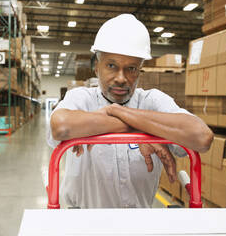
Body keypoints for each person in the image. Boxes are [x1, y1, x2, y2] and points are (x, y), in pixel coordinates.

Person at [47, 14, 213, 208]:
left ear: (140, 70)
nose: (121, 78)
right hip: (85, 223)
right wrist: (139, 131)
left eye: (131, 68)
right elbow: (61, 126)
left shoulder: (152, 100)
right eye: (111, 66)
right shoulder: (81, 99)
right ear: (96, 67)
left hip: (139, 224)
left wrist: (115, 114)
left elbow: (201, 137)